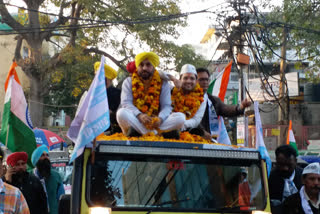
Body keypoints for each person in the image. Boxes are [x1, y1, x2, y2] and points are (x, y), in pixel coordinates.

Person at [117, 52, 185, 138]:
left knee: (181, 118)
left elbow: (166, 106)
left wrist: (160, 119)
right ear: (137, 67)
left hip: (156, 122)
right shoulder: (128, 81)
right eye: (141, 65)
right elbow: (126, 103)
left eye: (148, 65)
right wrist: (139, 115)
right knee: (121, 113)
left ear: (153, 67)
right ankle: (155, 134)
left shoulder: (163, 82)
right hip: (137, 119)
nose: (144, 68)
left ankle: (143, 132)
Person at [196, 67, 251, 140]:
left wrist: (241, 106)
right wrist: (201, 132)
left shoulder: (213, 101)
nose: (205, 82)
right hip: (190, 142)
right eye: (201, 79)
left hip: (210, 143)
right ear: (194, 81)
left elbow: (227, 109)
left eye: (207, 79)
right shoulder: (186, 100)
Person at [171, 64, 207, 132]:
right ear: (180, 79)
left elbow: (195, 120)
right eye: (185, 78)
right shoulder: (171, 91)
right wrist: (172, 78)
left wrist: (177, 125)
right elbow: (160, 74)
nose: (188, 81)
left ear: (196, 81)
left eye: (192, 78)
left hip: (186, 132)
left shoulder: (202, 99)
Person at [268, 145, 303, 214]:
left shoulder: (305, 176)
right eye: (281, 165)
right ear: (276, 161)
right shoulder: (269, 178)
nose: (285, 168)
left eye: (289, 165)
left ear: (295, 161)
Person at [31, 145, 65, 214]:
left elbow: (62, 199)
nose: (46, 157)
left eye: (47, 155)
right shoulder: (30, 177)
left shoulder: (56, 176)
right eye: (42, 155)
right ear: (36, 159)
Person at [94, 61, 121, 134]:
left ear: (109, 80)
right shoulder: (92, 93)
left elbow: (112, 113)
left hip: (109, 130)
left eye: (101, 77)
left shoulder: (117, 93)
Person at [0, 147, 30, 214]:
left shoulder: (33, 180)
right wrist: (7, 180)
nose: (21, 167)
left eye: (23, 164)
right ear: (10, 166)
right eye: (17, 164)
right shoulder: (5, 180)